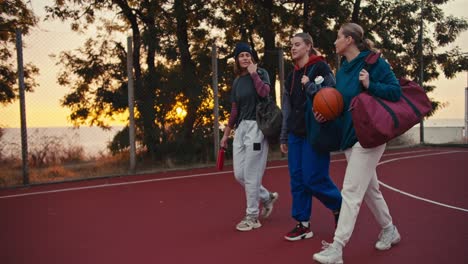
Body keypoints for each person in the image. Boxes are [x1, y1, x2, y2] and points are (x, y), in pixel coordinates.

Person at [313, 23, 402, 264]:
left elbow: (396, 92)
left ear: (350, 40)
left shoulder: (373, 62)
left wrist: (370, 84)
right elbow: (340, 105)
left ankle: (337, 248)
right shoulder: (342, 70)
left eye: (338, 37)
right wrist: (325, 113)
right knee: (370, 190)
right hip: (350, 137)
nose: (335, 42)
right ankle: (389, 229)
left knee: (350, 192)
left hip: (370, 136)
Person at [280, 32, 342, 241]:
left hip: (315, 132)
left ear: (308, 46)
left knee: (313, 177)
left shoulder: (321, 67)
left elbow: (332, 93)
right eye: (291, 46)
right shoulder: (290, 76)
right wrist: (284, 136)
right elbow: (287, 109)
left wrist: (311, 87)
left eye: (297, 45)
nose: (293, 48)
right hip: (296, 134)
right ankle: (303, 224)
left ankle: (339, 205)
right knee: (297, 179)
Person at [220, 42, 279, 232]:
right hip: (241, 129)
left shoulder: (261, 73)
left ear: (252, 57)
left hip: (257, 126)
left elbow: (264, 93)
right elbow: (235, 109)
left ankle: (252, 216)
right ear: (237, 59)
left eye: (248, 54)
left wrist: (254, 73)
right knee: (240, 175)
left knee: (252, 174)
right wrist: (226, 134)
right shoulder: (237, 81)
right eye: (241, 55)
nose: (245, 58)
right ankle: (266, 197)